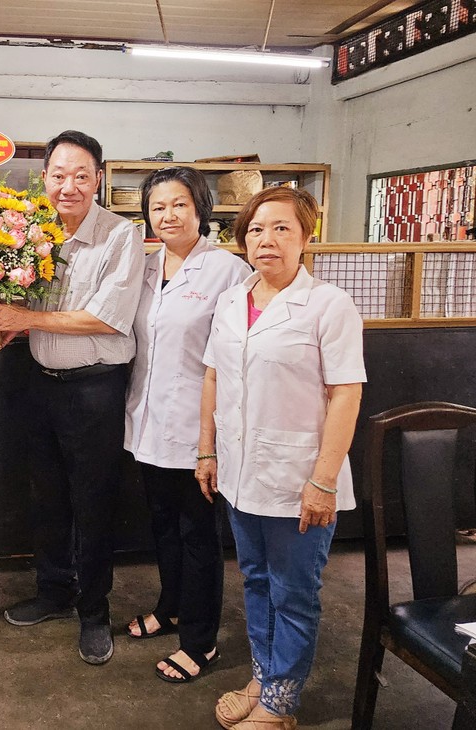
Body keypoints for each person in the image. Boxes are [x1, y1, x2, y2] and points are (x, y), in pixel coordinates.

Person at [0, 130, 146, 665]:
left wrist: (27, 318)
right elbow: (29, 306)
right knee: (46, 496)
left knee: (92, 501)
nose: (68, 186)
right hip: (40, 383)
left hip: (95, 388)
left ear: (99, 179)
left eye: (80, 175)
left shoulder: (122, 236)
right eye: (58, 175)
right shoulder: (32, 233)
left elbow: (106, 317)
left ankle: (94, 613)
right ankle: (53, 592)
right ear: (44, 178)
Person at [196, 187, 365, 729]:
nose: (266, 240)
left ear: (305, 237)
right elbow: (214, 376)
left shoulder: (328, 304)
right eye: (255, 230)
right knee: (256, 581)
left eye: (281, 229)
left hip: (300, 478)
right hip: (241, 474)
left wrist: (324, 480)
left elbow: (346, 392)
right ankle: (265, 676)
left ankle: (280, 706)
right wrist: (206, 451)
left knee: (294, 592)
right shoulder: (231, 300)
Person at [124, 167, 251, 683]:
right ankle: (171, 607)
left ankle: (200, 642)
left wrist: (213, 443)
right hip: (147, 424)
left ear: (201, 207)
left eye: (179, 204)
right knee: (162, 526)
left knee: (199, 535)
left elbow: (234, 358)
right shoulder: (145, 268)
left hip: (200, 430)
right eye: (158, 206)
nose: (168, 215)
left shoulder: (227, 271)